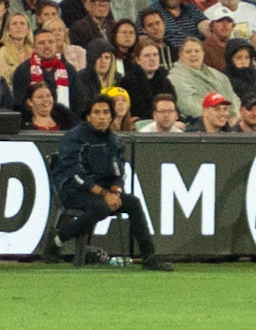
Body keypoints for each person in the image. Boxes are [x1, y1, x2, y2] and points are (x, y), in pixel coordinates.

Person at [49, 96, 173, 269]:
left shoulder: (114, 141)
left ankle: (149, 257)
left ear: (111, 116)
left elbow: (118, 173)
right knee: (101, 206)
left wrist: (115, 191)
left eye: (106, 112)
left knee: (133, 203)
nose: (101, 117)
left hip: (104, 193)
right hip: (73, 191)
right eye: (97, 112)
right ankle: (59, 239)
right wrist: (103, 193)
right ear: (88, 116)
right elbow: (74, 174)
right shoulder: (74, 138)